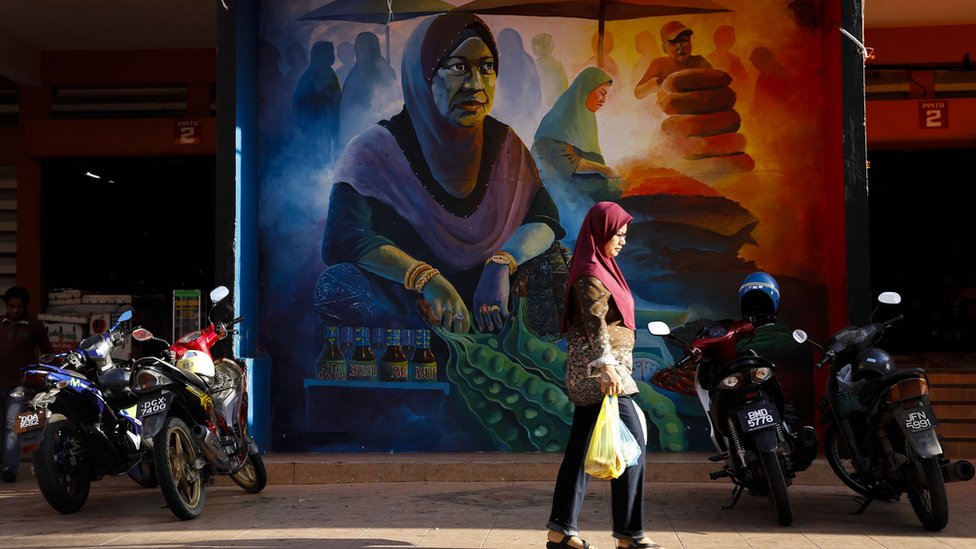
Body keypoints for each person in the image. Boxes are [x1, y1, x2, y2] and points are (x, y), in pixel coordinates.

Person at [315, 13, 566, 340]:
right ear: (423, 76)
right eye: (459, 67)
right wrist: (424, 278)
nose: (477, 84)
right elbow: (344, 236)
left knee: (557, 263)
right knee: (340, 286)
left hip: (491, 304)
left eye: (487, 67)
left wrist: (502, 263)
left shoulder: (504, 143)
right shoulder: (374, 150)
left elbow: (544, 217)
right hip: (405, 313)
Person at [546, 202, 661, 549]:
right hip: (601, 374)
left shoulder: (603, 268)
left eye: (626, 235)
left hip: (605, 370)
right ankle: (629, 534)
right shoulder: (590, 273)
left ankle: (561, 531)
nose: (623, 241)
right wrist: (606, 366)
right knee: (634, 443)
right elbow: (596, 323)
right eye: (619, 234)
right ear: (601, 232)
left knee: (581, 450)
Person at [532, 67, 620, 249]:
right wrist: (605, 170)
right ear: (586, 90)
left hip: (575, 184)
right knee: (576, 233)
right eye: (601, 93)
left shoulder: (585, 116)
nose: (604, 99)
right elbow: (567, 163)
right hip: (558, 190)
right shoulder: (564, 117)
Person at [0, 286, 52, 482]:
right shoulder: (0, 323)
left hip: (19, 385)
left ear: (25, 307)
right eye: (11, 306)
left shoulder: (34, 326)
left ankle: (9, 468)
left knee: (11, 426)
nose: (15, 310)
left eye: (19, 307)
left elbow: (48, 354)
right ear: (7, 305)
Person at [634, 20, 712, 100]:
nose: (681, 47)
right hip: (668, 110)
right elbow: (638, 93)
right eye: (673, 43)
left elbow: (716, 85)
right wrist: (652, 85)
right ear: (664, 49)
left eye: (685, 40)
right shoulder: (660, 63)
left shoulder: (699, 61)